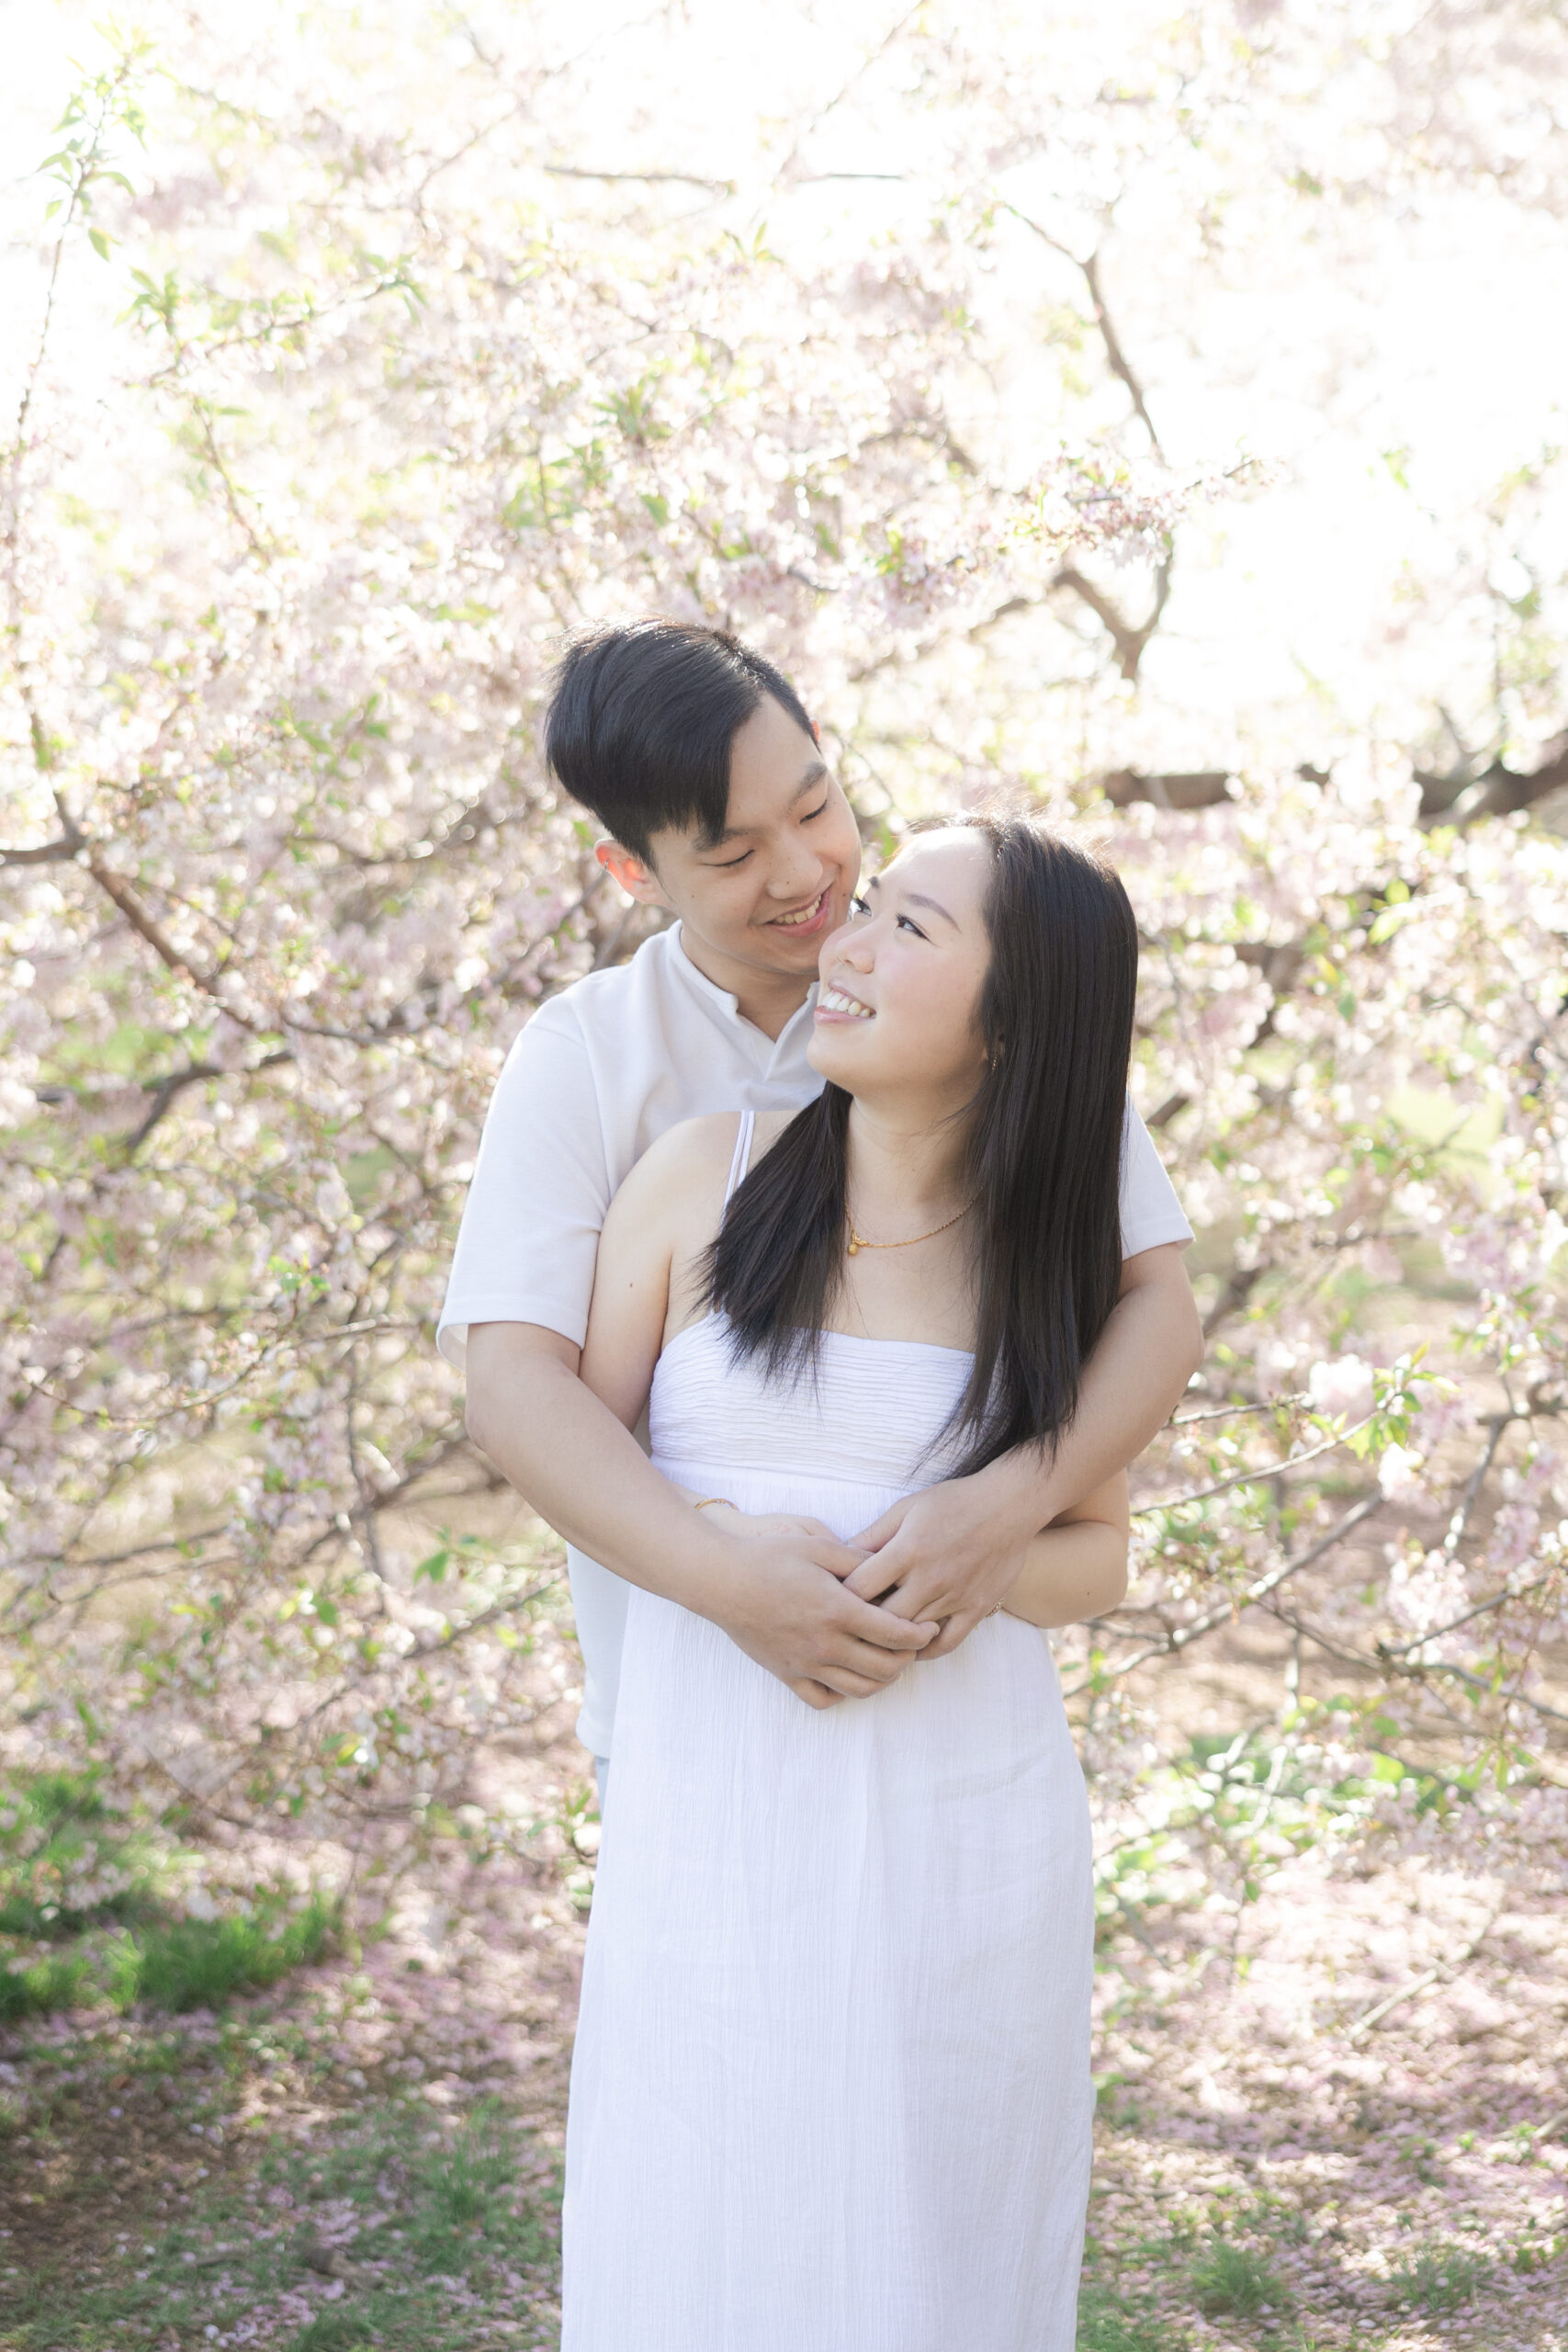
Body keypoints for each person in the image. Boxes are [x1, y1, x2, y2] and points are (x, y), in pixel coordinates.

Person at [561, 816, 1145, 2349]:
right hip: (715, 1839)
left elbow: (1103, 1560)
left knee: (932, 2266)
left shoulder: (1052, 1262)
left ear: (1016, 1021)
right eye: (866, 911)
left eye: (911, 929)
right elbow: (576, 1461)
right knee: (703, 2236)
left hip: (961, 1846)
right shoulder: (702, 1180)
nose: (849, 944)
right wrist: (721, 1557)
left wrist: (984, 1551)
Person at [445, 619, 1199, 1791]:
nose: (805, 875)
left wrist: (1010, 1508)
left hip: (954, 1721)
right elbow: (515, 1386)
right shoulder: (589, 1056)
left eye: (814, 808)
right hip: (686, 1708)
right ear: (635, 872)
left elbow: (1154, 1299)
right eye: (735, 853)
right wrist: (722, 1574)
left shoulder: (974, 977)